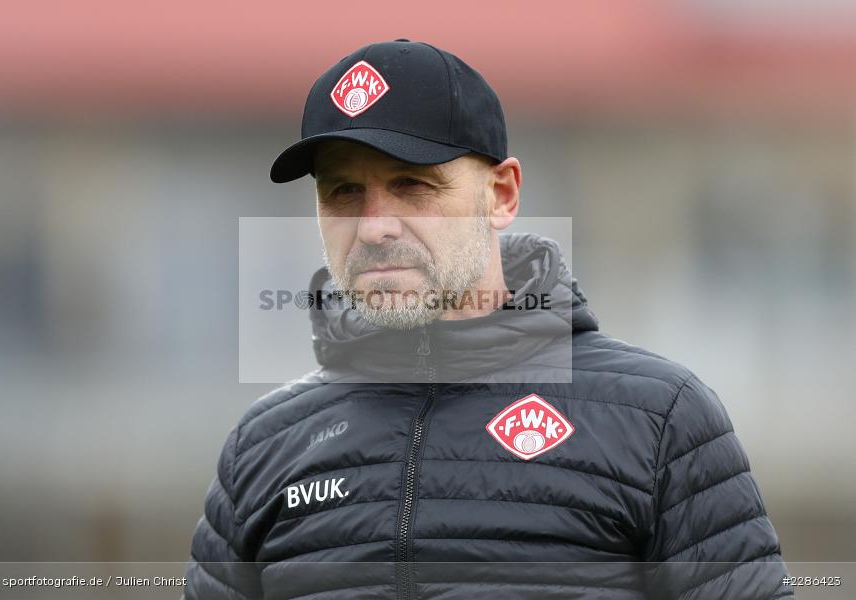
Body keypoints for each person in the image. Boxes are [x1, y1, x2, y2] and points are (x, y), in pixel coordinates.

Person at [182, 39, 795, 599]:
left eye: (412, 185)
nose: (374, 226)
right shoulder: (262, 447)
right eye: (343, 191)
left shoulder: (659, 418)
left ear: (501, 194)